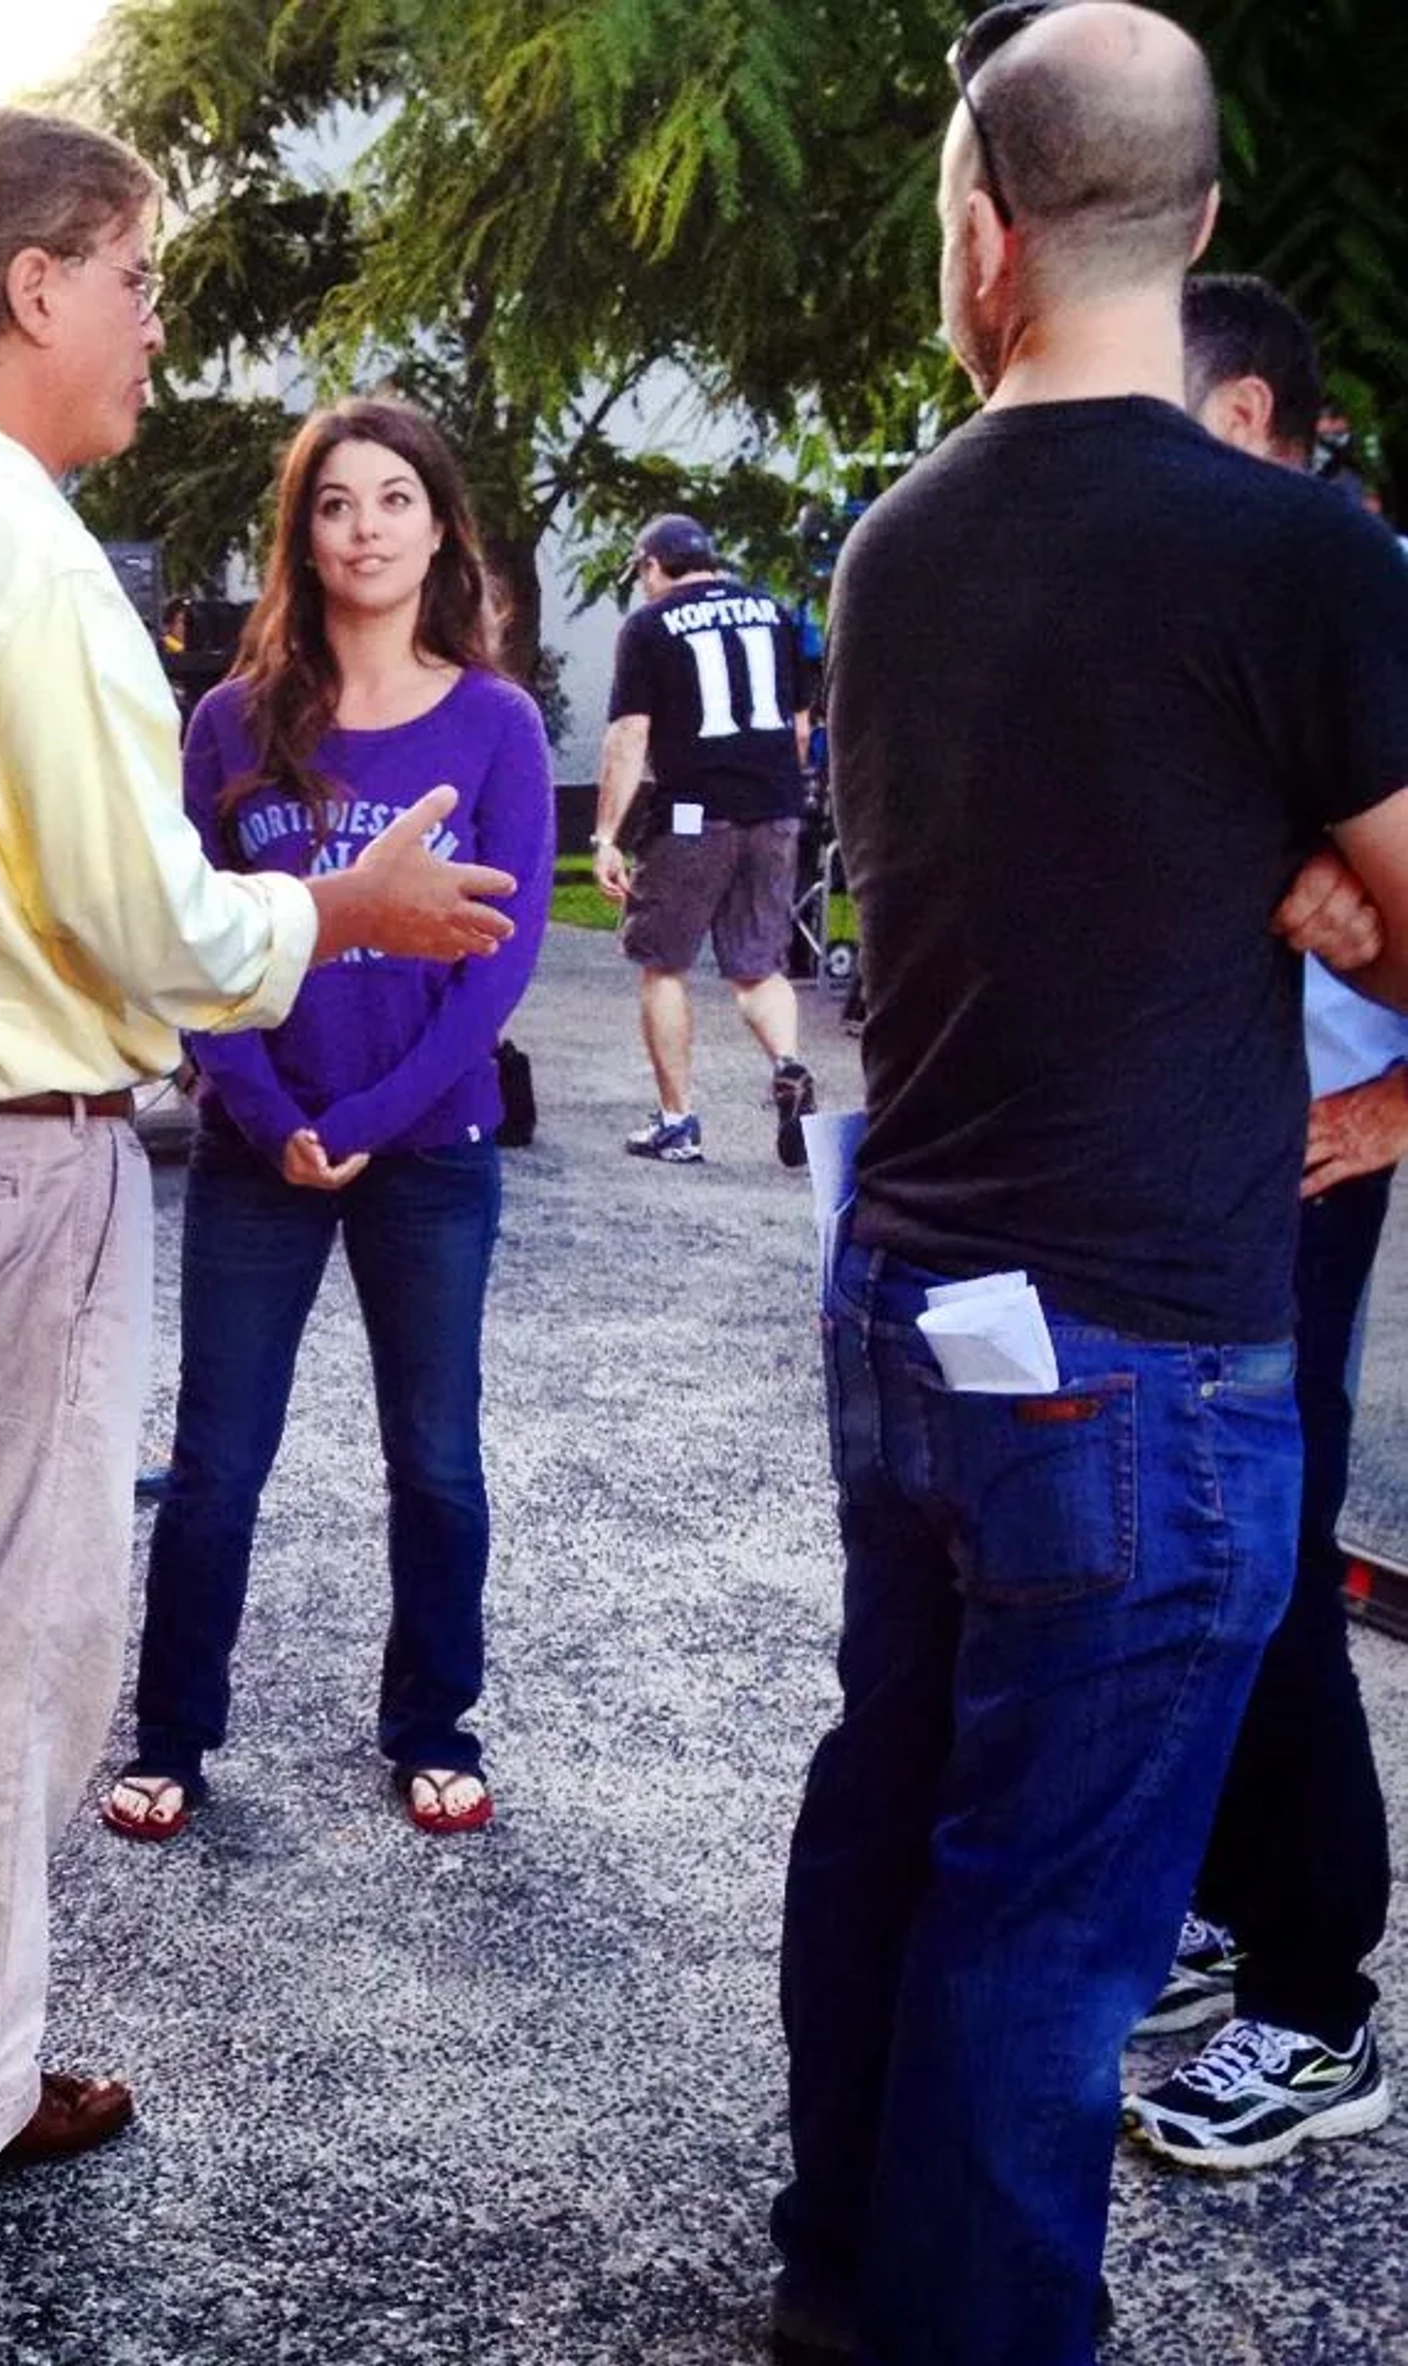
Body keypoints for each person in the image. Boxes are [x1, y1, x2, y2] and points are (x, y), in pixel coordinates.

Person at [0, 108, 519, 2186]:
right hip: (1, 1161)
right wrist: (346, 914)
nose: (159, 329)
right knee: (1, 1647)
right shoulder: (18, 560)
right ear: (40, 288)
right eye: (145, 281)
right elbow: (150, 923)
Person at [766, 9, 1408, 2364]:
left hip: (910, 1309)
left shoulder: (888, 547)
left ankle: (839, 2288)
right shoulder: (1290, 560)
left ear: (982, 229)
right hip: (1143, 1360)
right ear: (1206, 220)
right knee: (1045, 1939)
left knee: (894, 1829)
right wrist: (1349, 989)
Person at [102, 397, 553, 1845]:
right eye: (336, 503)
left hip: (425, 1147)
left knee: (436, 1456)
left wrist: (363, 1115)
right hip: (259, 1144)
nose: (365, 527)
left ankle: (432, 1720)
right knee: (219, 1459)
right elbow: (190, 949)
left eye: (394, 500)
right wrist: (271, 1108)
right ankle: (173, 1730)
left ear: (439, 528)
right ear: (301, 533)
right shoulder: (232, 724)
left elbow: (504, 966)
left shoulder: (497, 726)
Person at [1120, 273, 1407, 2169]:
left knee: (1276, 1556)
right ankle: (1229, 1910)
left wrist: (1392, 1100)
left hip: (1306, 1147)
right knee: (1204, 1545)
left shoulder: (1345, 585)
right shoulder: (1227, 592)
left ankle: (1324, 2001)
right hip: (1199, 1136)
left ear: (1233, 421)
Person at [590, 513, 817, 1168]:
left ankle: (677, 1121)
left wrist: (607, 832)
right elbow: (800, 729)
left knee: (664, 965)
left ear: (653, 565)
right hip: (774, 811)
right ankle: (790, 1065)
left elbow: (629, 737)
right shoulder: (773, 614)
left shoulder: (650, 626)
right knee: (757, 966)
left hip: (693, 815)